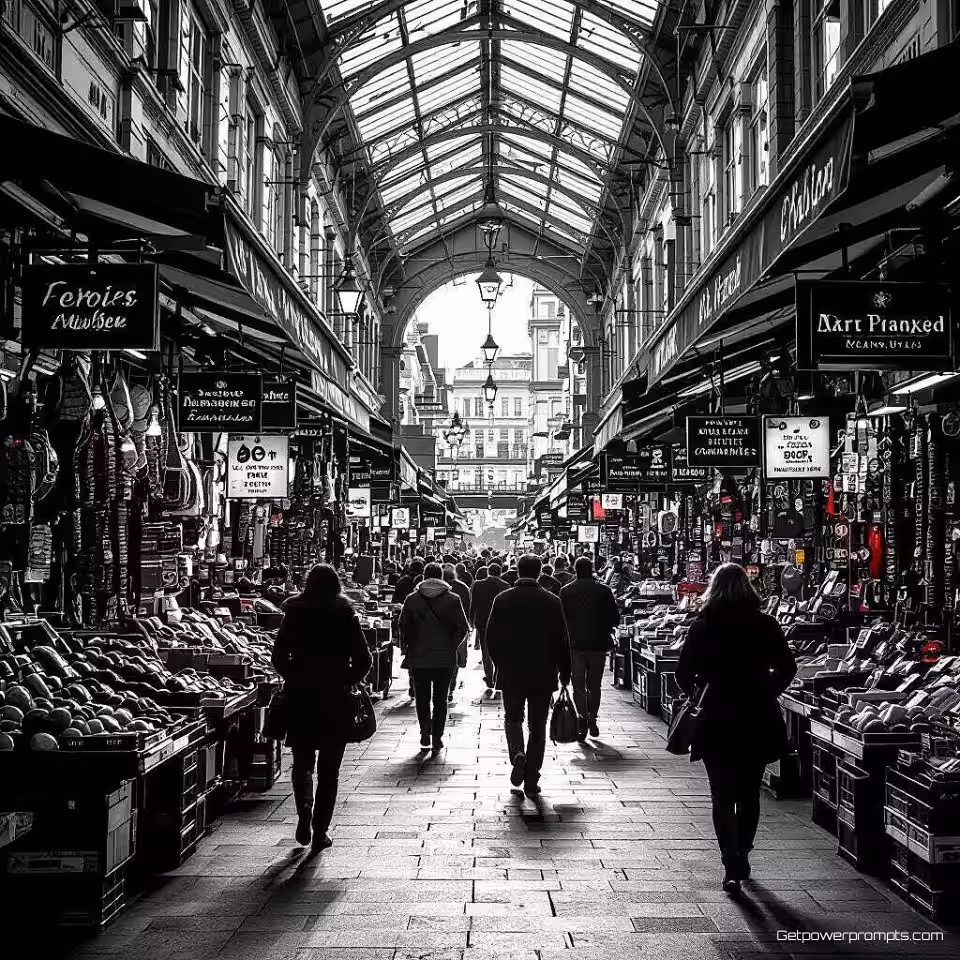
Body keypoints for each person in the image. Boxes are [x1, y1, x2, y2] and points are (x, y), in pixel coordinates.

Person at [676, 562, 797, 893]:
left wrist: (702, 692)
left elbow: (683, 674)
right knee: (748, 793)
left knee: (721, 795)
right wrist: (765, 689)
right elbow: (787, 667)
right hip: (756, 717)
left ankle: (730, 861)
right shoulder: (765, 624)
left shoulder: (703, 626)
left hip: (716, 719)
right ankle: (742, 851)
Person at [271, 564, 372, 854]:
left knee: (302, 762)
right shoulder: (345, 614)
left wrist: (294, 677)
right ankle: (320, 831)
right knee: (329, 771)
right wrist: (347, 681)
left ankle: (304, 813)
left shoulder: (294, 613)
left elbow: (278, 656)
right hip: (335, 700)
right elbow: (364, 660)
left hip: (300, 698)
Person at [487, 554, 571, 798]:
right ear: (539, 573)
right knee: (537, 726)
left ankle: (517, 755)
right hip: (543, 673)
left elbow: (491, 638)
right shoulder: (552, 601)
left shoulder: (502, 599)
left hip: (511, 672)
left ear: (517, 570)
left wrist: (499, 664)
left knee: (513, 718)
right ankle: (532, 778)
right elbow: (562, 640)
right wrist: (565, 673)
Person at [399, 562, 469, 753]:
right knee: (440, 699)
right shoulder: (453, 599)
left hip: (419, 656)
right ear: (441, 577)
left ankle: (425, 731)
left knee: (422, 697)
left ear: (424, 576)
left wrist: (408, 646)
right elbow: (463, 627)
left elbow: (402, 625)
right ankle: (437, 737)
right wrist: (451, 645)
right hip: (444, 658)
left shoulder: (412, 600)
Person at [560, 556, 620, 741]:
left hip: (574, 646)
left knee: (578, 686)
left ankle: (582, 718)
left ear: (575, 570)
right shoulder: (604, 590)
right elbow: (615, 618)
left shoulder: (566, 591)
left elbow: (561, 620)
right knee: (594, 685)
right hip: (598, 645)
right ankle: (592, 716)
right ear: (592, 569)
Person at [470, 561, 508, 690]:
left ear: (488, 572)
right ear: (500, 572)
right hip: (500, 623)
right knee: (500, 651)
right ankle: (498, 677)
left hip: (482, 622)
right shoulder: (505, 585)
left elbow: (473, 605)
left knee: (486, 652)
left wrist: (470, 621)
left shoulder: (478, 585)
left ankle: (489, 677)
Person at [442, 563, 472, 702]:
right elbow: (468, 608)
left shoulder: (436, 588)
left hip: (440, 628)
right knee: (454, 657)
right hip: (458, 627)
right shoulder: (462, 587)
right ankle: (451, 686)